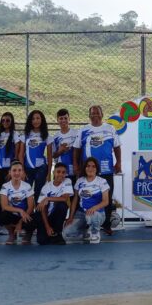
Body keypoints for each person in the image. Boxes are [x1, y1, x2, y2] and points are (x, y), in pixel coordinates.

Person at [73, 105, 121, 235]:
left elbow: (117, 147)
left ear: (102, 114)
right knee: (84, 195)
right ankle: (84, 225)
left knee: (107, 198)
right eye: (92, 113)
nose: (95, 115)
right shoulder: (83, 130)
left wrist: (118, 163)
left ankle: (106, 225)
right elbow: (76, 149)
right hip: (87, 170)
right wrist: (76, 166)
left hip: (106, 170)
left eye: (97, 113)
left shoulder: (110, 128)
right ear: (89, 116)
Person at [0, 112, 23, 235]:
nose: (5, 123)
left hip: (10, 171)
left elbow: (17, 154)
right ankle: (0, 224)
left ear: (12, 121)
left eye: (7, 120)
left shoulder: (15, 135)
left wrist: (14, 171)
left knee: (9, 198)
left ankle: (13, 224)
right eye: (3, 120)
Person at [63, 157, 110, 245]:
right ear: (85, 168)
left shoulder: (102, 181)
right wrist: (70, 217)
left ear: (97, 169)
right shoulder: (80, 181)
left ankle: (95, 232)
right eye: (88, 166)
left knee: (90, 216)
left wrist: (94, 208)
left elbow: (106, 201)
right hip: (81, 213)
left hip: (97, 213)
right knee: (66, 233)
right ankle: (86, 231)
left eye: (93, 166)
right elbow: (75, 200)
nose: (90, 168)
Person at [0, 160, 36, 245]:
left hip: (25, 216)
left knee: (36, 218)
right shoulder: (5, 186)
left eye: (19, 170)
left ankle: (28, 234)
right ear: (10, 172)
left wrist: (20, 222)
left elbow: (30, 207)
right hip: (14, 215)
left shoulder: (27, 186)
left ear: (22, 172)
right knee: (3, 216)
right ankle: (12, 234)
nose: (17, 173)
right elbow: (4, 206)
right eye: (14, 170)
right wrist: (20, 211)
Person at [36, 163, 74, 245]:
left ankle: (58, 233)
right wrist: (47, 227)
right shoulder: (46, 187)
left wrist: (48, 198)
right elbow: (42, 209)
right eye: (58, 172)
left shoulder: (67, 181)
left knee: (62, 205)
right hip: (46, 217)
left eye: (63, 172)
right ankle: (50, 233)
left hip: (57, 216)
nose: (61, 174)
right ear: (53, 172)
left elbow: (65, 198)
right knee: (41, 241)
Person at [23, 110, 52, 199]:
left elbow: (50, 156)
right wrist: (22, 170)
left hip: (41, 168)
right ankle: (28, 212)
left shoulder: (46, 135)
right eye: (33, 119)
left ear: (42, 120)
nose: (36, 121)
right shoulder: (25, 135)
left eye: (38, 118)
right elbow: (20, 154)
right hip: (27, 168)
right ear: (30, 121)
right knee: (26, 193)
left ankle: (38, 213)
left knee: (38, 193)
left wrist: (49, 173)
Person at [50, 109, 78, 183]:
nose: (63, 120)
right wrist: (60, 151)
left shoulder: (76, 133)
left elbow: (80, 150)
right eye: (61, 118)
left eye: (65, 118)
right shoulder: (55, 137)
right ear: (57, 120)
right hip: (61, 171)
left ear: (69, 119)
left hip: (74, 169)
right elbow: (53, 155)